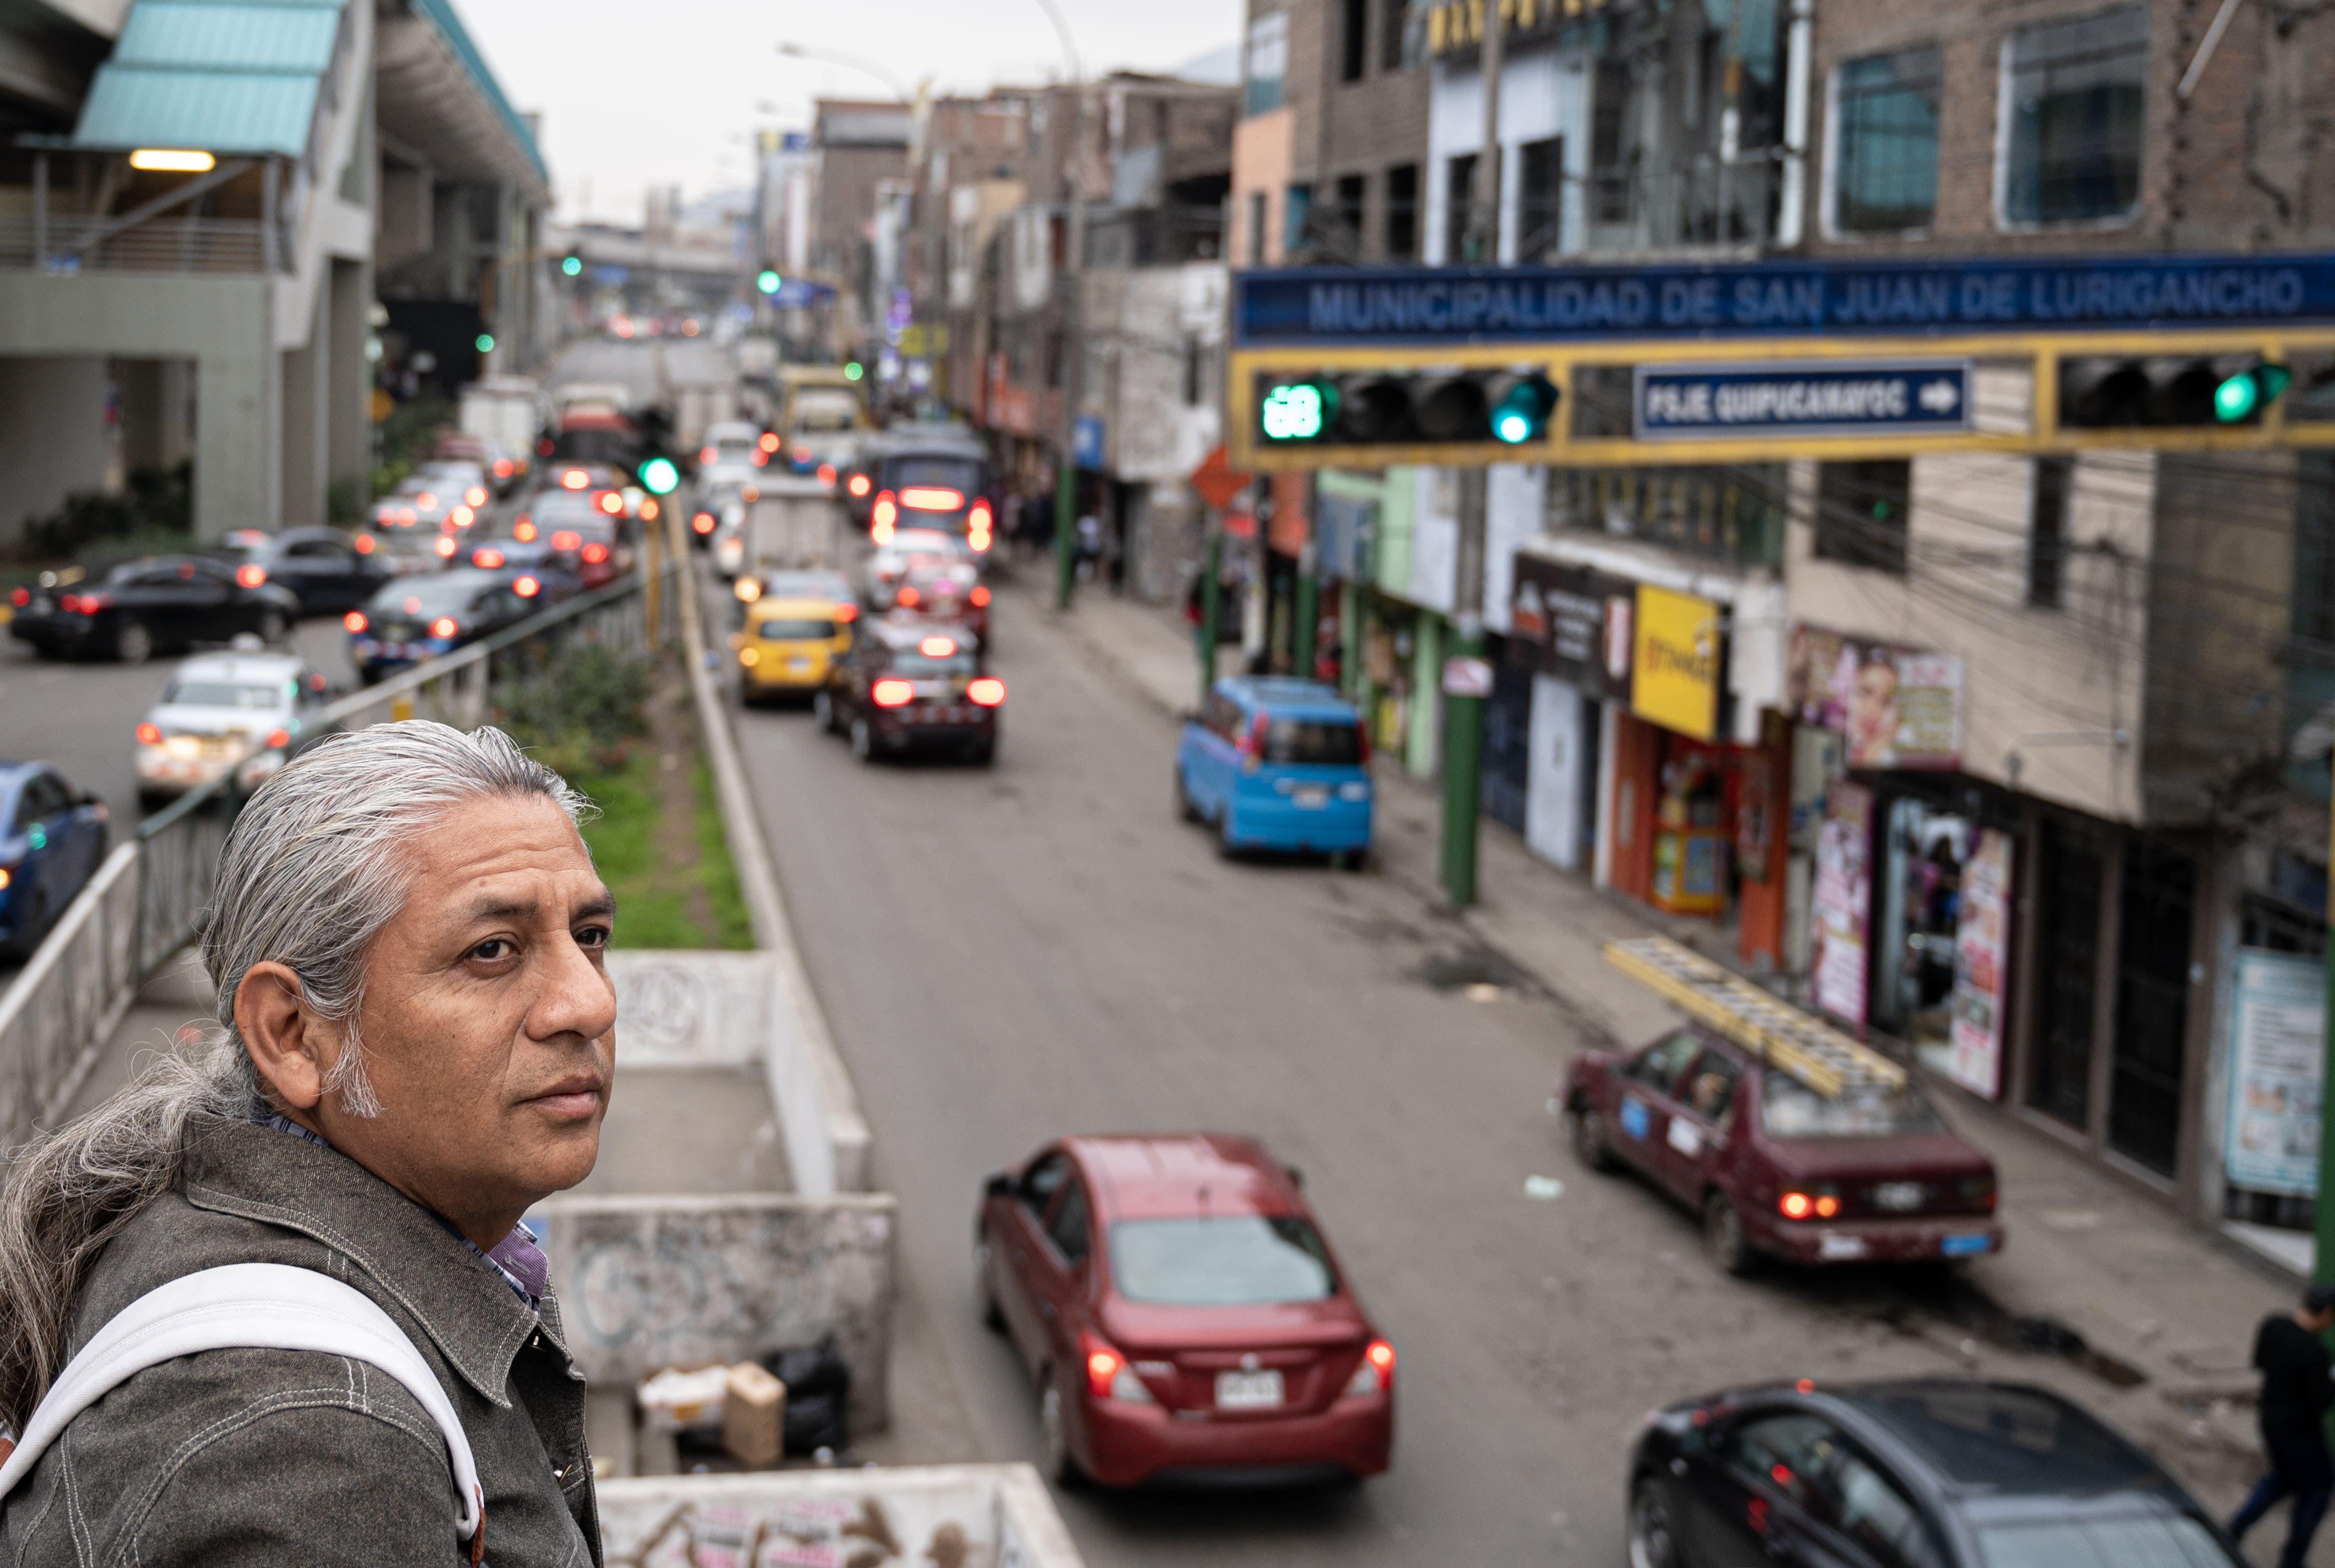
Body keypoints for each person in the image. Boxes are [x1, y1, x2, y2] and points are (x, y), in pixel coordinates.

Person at [0, 721, 617, 1563]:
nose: (587, 1002)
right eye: (492, 950)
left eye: (589, 936)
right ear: (292, 1033)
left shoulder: (206, 1214)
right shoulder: (312, 1442)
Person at [2231, 1284, 2335, 1568]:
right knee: (2317, 1491)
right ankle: (2293, 1560)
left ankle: (2233, 1531)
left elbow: (2260, 1361)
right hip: (2301, 1436)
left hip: (2270, 1423)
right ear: (2327, 1312)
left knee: (2283, 1479)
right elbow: (2321, 1402)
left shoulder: (2273, 1325)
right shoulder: (2315, 1353)